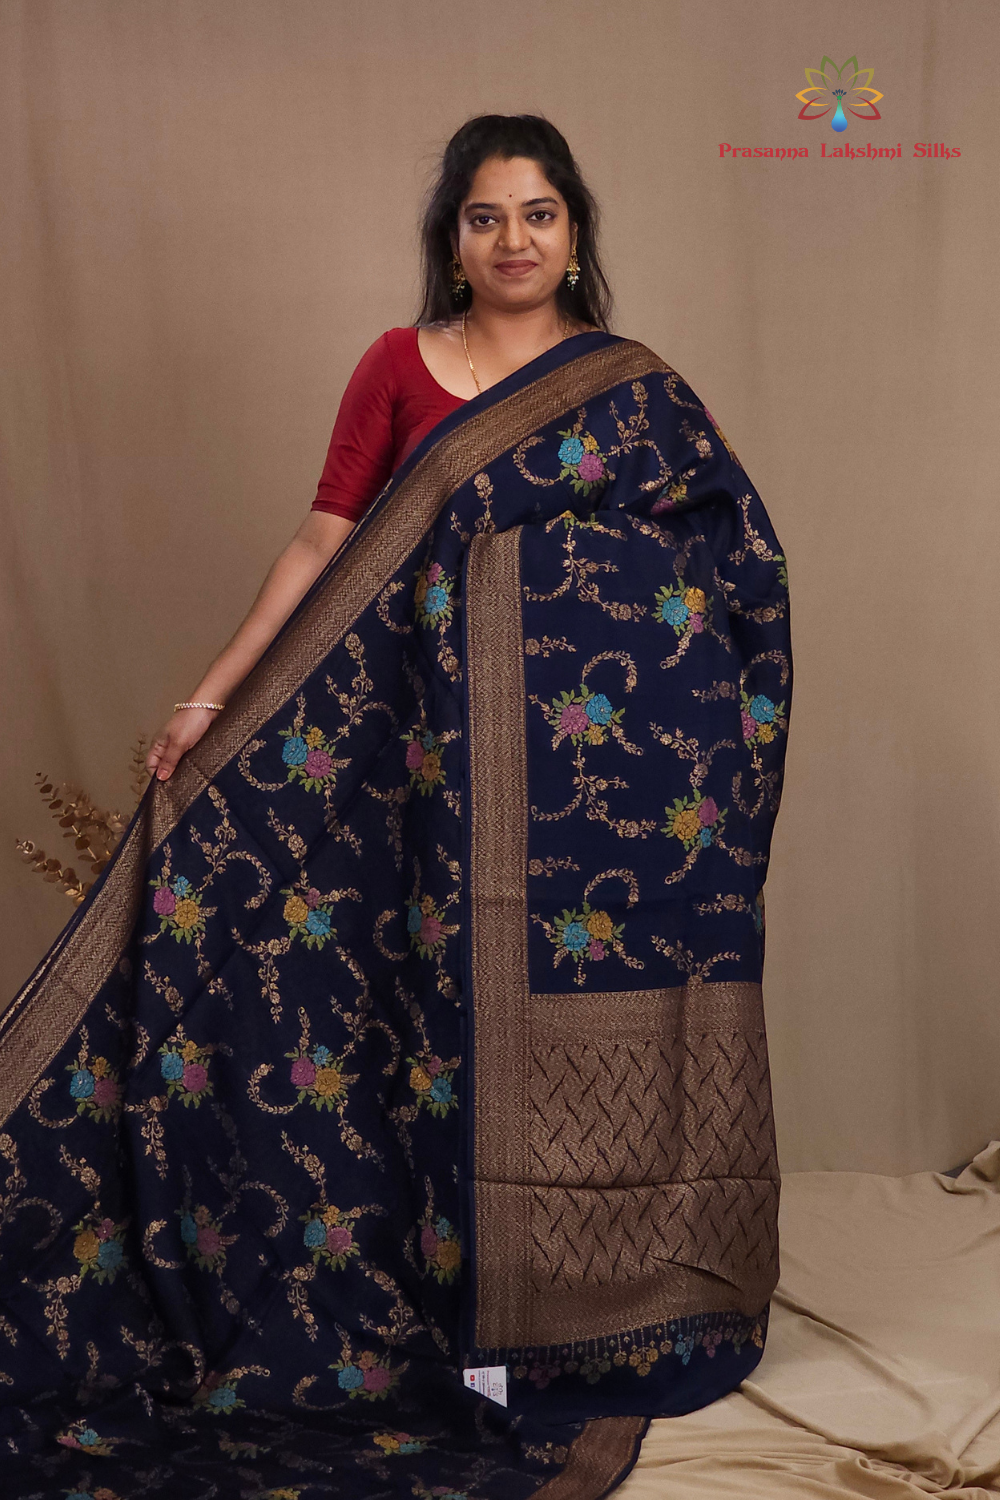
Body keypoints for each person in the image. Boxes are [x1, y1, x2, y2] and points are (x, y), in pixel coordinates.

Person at [0, 115, 791, 1499]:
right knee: (436, 1032)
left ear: (575, 235)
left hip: (611, 803)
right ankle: (460, 1325)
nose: (513, 240)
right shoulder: (396, 365)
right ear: (453, 240)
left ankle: (607, 1324)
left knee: (607, 1023)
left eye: (538, 214)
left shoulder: (635, 392)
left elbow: (730, 558)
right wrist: (210, 698)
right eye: (486, 217)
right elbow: (326, 537)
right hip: (430, 779)